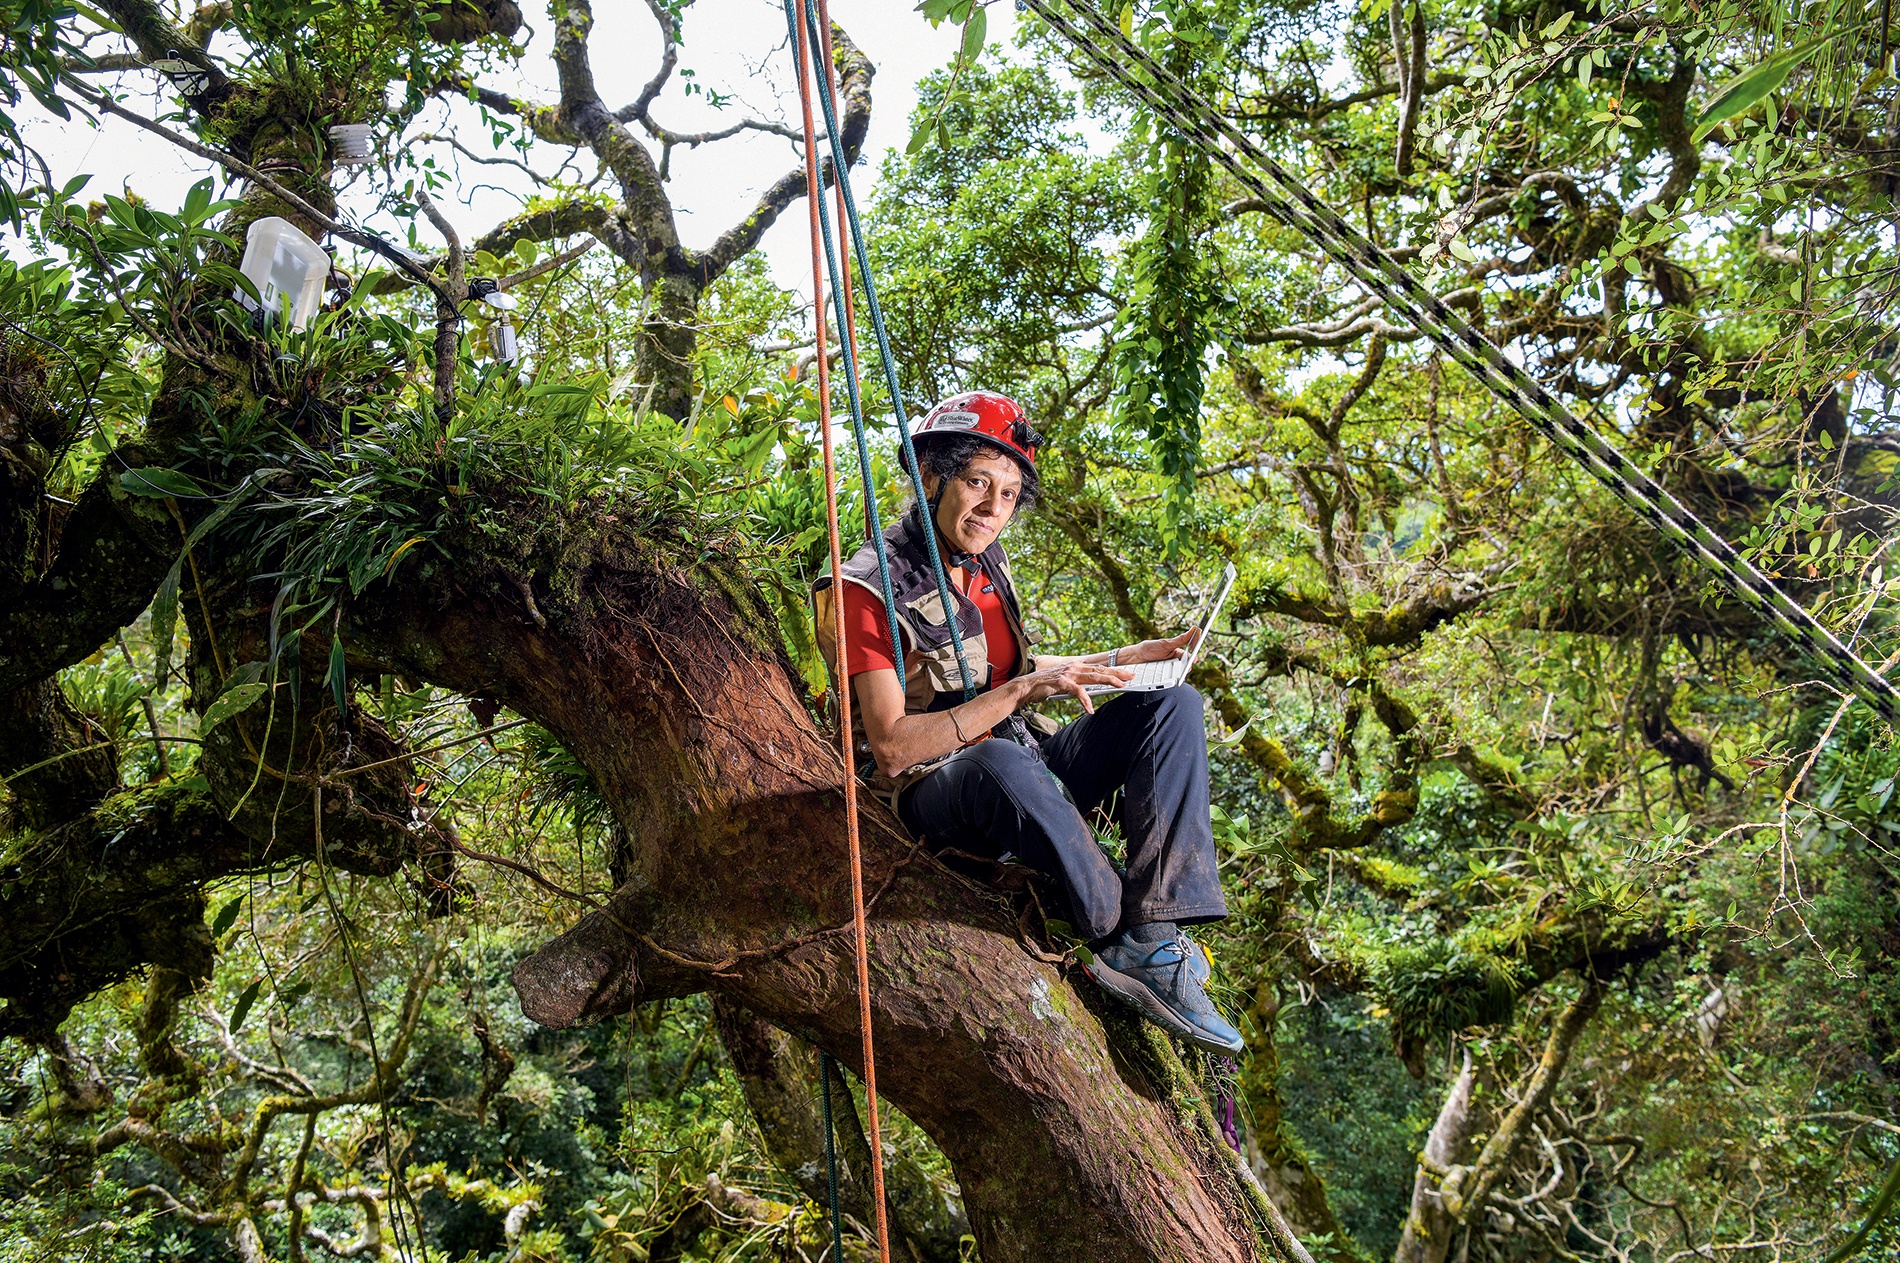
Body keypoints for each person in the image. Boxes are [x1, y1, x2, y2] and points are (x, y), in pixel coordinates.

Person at [812, 390, 1243, 1056]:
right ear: (931, 476)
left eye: (1009, 494)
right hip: (937, 786)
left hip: (1020, 763)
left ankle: (1155, 934)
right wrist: (1017, 694)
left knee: (1171, 705)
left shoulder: (983, 562)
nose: (992, 508)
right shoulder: (865, 588)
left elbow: (1012, 669)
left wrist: (1123, 660)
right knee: (999, 761)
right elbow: (894, 745)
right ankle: (1108, 932)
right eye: (977, 482)